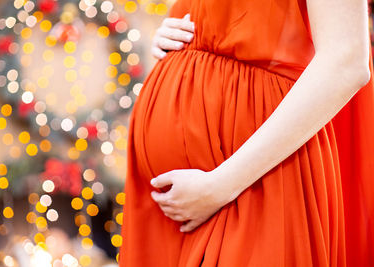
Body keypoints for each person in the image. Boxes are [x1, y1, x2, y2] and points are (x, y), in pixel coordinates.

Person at [120, 0, 374, 266]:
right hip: (170, 209)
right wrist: (173, 33)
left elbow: (346, 61)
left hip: (254, 183)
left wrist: (221, 185)